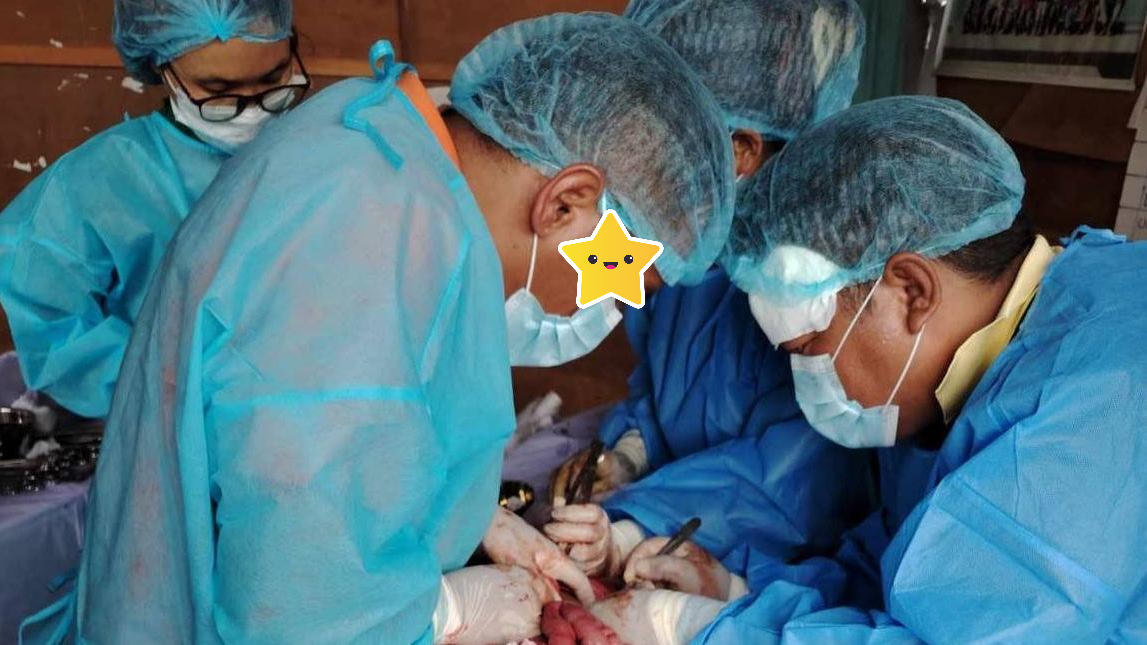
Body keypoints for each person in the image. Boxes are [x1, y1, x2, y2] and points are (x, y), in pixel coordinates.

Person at [20, 13, 736, 645]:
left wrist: (464, 518)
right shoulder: (368, 249)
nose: (614, 308)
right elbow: (296, 599)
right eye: (627, 277)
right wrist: (440, 611)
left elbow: (326, 444)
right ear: (564, 203)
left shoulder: (379, 141)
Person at [565, 95, 1147, 643]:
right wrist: (737, 592)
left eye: (808, 349)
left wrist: (700, 628)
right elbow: (906, 576)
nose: (807, 384)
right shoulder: (956, 380)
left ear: (912, 291)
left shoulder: (1099, 402)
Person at [550, 0, 866, 504]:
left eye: (661, 148)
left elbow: (795, 484)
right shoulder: (688, 248)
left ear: (740, 151)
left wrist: (640, 524)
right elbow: (661, 392)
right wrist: (629, 453)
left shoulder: (812, 288)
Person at [0, 0, 308, 420]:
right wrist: (174, 388)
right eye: (218, 91)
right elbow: (53, 327)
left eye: (273, 79)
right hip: (160, 427)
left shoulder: (325, 153)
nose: (252, 108)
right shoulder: (103, 179)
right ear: (162, 68)